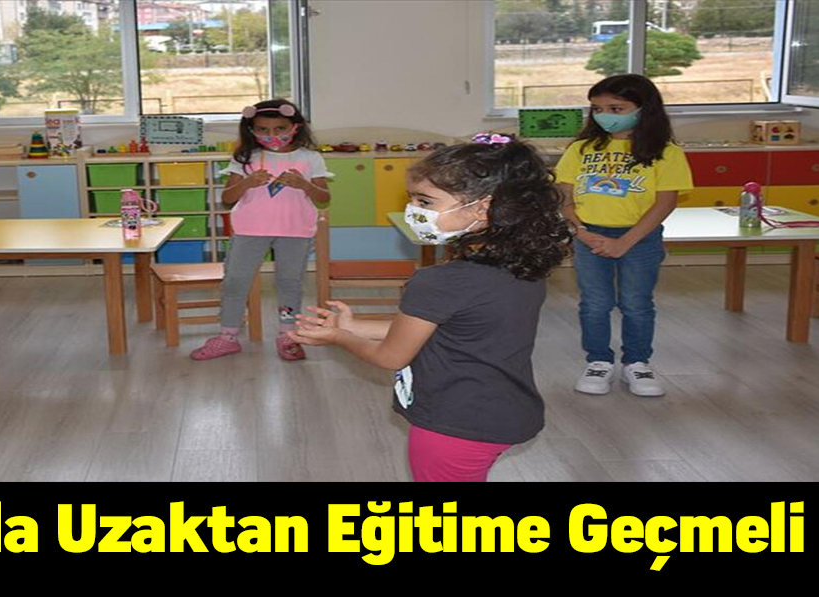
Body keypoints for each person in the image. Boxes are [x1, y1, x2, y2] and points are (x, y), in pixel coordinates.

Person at [291, 138, 571, 482]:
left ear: (483, 208)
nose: (412, 209)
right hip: (504, 409)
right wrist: (353, 325)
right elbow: (446, 327)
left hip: (455, 423)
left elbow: (390, 356)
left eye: (424, 201)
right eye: (411, 198)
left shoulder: (441, 281)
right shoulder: (522, 266)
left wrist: (340, 338)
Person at [554, 74, 693, 397]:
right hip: (589, 236)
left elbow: (665, 202)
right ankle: (598, 360)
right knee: (595, 303)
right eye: (597, 109)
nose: (605, 116)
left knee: (636, 303)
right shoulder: (580, 149)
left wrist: (625, 242)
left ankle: (637, 362)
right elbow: (563, 197)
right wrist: (580, 231)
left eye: (616, 109)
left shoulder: (666, 152)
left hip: (640, 238)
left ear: (644, 109)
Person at [191, 98, 331, 361]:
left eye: (280, 129)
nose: (272, 135)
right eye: (263, 129)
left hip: (295, 230)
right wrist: (247, 182)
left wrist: (304, 184)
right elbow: (227, 198)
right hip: (250, 230)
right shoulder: (245, 158)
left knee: (290, 283)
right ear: (251, 130)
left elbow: (324, 198)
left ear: (295, 127)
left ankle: (288, 335)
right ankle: (227, 336)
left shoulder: (310, 157)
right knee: (235, 281)